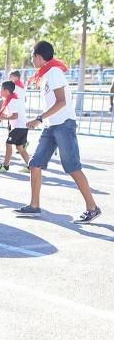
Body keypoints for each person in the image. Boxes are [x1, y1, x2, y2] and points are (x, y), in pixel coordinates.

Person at [16, 41, 102, 223]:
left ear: (39, 57)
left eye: (32, 56)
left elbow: (61, 102)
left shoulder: (54, 73)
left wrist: (39, 118)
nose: (31, 60)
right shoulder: (46, 74)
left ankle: (92, 208)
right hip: (51, 126)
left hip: (63, 125)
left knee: (72, 167)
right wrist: (44, 120)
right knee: (35, 163)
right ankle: (34, 205)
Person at [0, 80, 31, 172]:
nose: (0, 91)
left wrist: (2, 118)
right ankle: (31, 166)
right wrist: (6, 119)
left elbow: (15, 116)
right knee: (20, 148)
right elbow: (13, 115)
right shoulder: (12, 99)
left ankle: (5, 166)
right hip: (21, 127)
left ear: (6, 91)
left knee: (8, 144)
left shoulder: (12, 100)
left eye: (1, 89)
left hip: (19, 127)